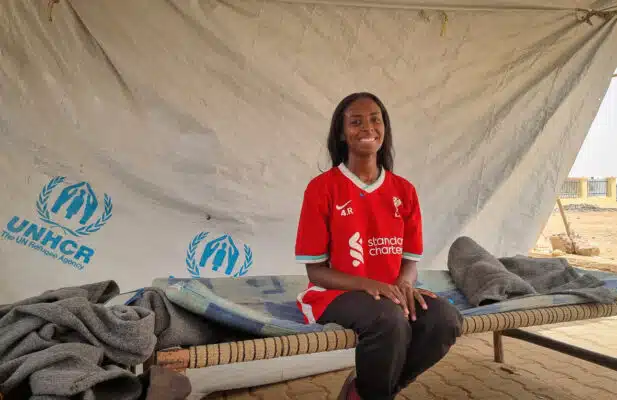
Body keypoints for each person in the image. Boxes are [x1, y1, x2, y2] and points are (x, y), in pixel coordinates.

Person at [294, 92, 463, 400]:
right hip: (333, 294)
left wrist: (402, 284)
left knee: (445, 319)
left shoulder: (404, 190)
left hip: (387, 294)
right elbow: (316, 271)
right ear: (342, 134)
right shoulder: (322, 189)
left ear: (384, 129)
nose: (367, 128)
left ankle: (362, 393)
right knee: (389, 320)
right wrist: (372, 285)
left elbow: (409, 262)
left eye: (375, 120)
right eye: (355, 122)